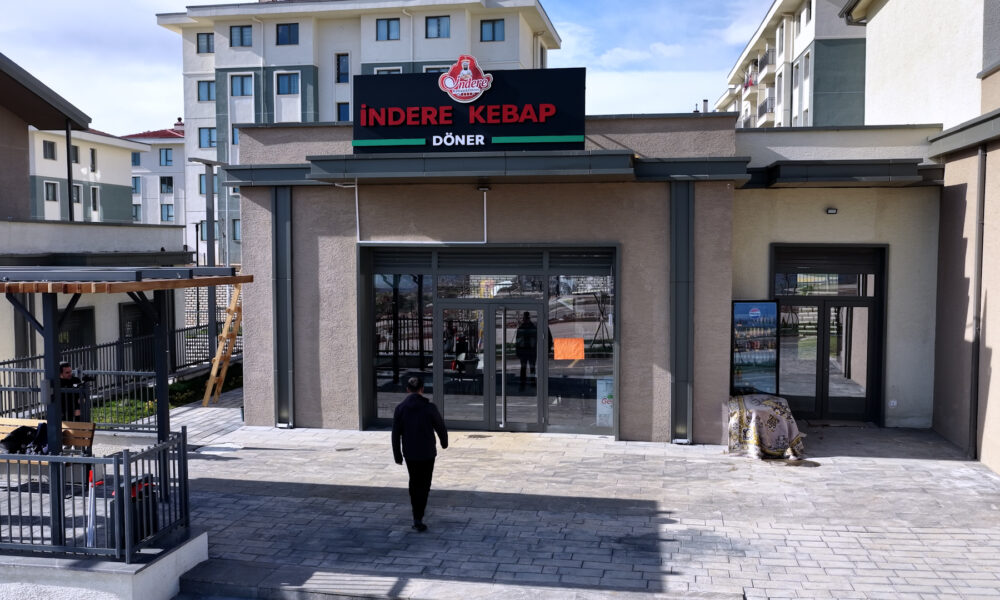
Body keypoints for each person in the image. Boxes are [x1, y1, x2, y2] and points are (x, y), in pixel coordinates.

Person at [391, 376, 448, 532]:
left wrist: (397, 455)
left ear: (407, 390)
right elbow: (440, 426)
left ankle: (416, 514)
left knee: (414, 481)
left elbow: (395, 434)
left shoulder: (400, 408)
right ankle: (419, 514)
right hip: (427, 452)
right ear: (422, 389)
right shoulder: (429, 407)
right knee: (425, 483)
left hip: (410, 453)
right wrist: (444, 442)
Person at [514, 311, 537, 389]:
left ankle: (523, 383)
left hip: (524, 351)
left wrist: (517, 351)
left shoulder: (521, 328)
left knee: (524, 368)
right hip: (531, 351)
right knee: (531, 367)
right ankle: (532, 382)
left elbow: (518, 341)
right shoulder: (533, 327)